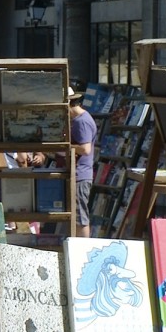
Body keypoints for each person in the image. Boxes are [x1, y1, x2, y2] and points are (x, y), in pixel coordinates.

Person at [68, 87, 97, 236]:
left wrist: (66, 146)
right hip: (79, 174)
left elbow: (85, 149)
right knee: (77, 215)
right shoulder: (80, 120)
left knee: (80, 217)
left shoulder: (81, 121)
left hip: (80, 175)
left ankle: (84, 248)